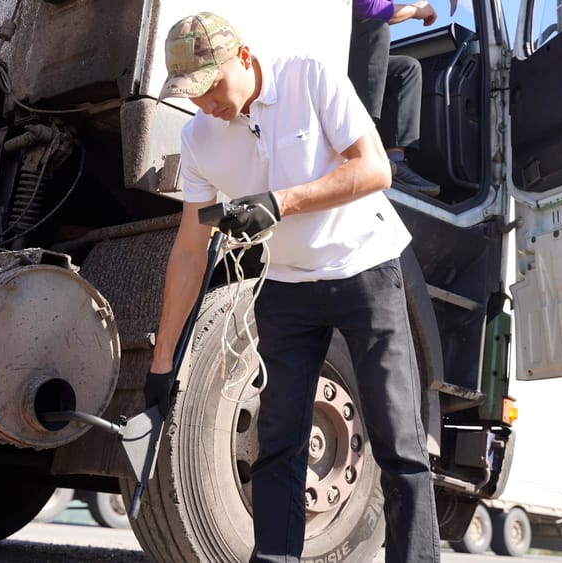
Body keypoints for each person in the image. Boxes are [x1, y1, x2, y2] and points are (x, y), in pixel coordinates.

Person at [143, 11, 441, 563]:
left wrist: (281, 203)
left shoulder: (311, 77)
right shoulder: (198, 137)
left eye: (211, 86)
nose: (205, 102)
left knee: (399, 442)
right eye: (192, 93)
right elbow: (189, 248)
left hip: (365, 271)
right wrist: (162, 363)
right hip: (285, 286)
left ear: (246, 58)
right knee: (278, 444)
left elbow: (375, 170)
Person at [349, 1, 440, 197]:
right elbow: (369, 9)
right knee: (376, 28)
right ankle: (364, 143)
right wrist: (416, 10)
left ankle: (396, 160)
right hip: (326, 64)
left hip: (347, 59)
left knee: (406, 68)